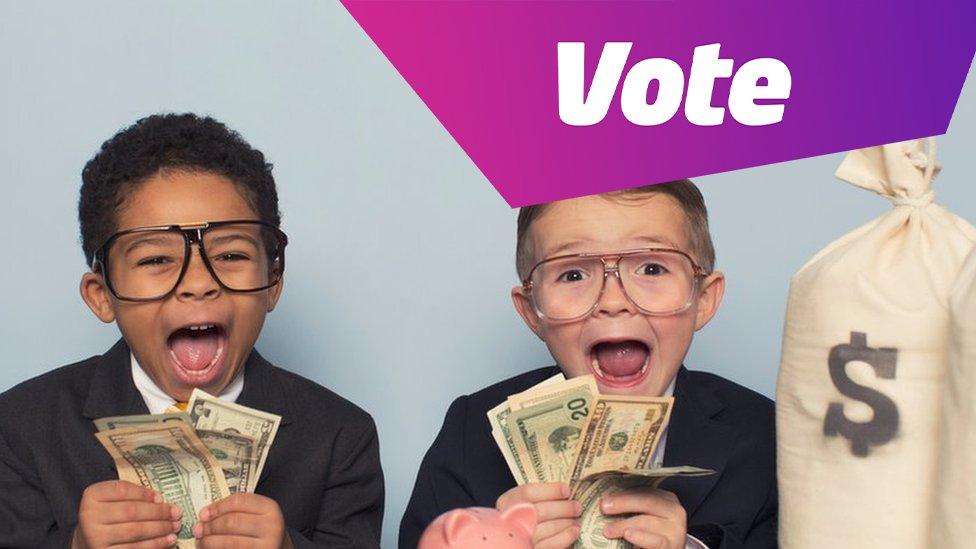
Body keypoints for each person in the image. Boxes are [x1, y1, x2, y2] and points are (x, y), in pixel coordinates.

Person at [0, 113, 384, 548]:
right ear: (101, 295)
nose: (198, 282)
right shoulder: (20, 428)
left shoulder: (341, 437)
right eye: (155, 260)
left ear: (273, 282)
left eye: (231, 255)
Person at [400, 181, 775, 548]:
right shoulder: (471, 433)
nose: (613, 300)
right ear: (532, 311)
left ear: (704, 299)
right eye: (573, 274)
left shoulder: (770, 437)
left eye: (651, 269)